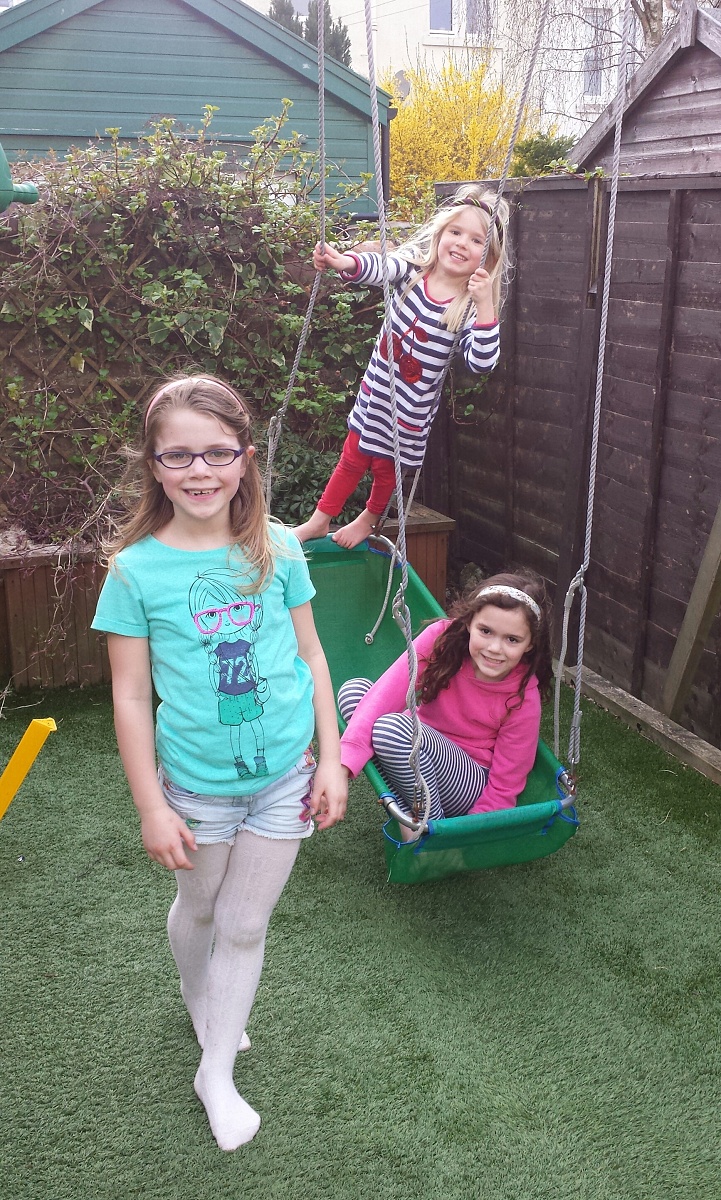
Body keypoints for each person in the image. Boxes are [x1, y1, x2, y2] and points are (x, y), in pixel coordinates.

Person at [91, 374, 347, 1152]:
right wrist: (151, 806)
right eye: (178, 455)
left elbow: (311, 656)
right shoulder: (134, 570)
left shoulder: (277, 548)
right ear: (153, 464)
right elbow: (130, 696)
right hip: (196, 789)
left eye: (216, 453)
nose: (198, 471)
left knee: (243, 923)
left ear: (245, 458)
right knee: (200, 910)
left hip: (285, 777)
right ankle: (195, 989)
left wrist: (331, 760)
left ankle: (216, 1074)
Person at [295, 184, 510, 548]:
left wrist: (486, 304)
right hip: (375, 395)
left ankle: (369, 519)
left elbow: (482, 362)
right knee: (352, 456)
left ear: (487, 258)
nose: (461, 244)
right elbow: (380, 266)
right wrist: (345, 262)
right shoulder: (412, 271)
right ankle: (319, 520)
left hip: (410, 411)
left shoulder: (468, 308)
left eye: (476, 240)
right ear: (440, 234)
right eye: (456, 232)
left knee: (386, 469)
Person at [338, 573, 552, 832]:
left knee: (391, 729)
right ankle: (409, 813)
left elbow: (505, 785)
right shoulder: (442, 639)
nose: (495, 648)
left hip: (467, 781)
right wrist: (343, 764)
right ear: (469, 622)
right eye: (485, 631)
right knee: (353, 693)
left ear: (530, 644)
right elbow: (388, 691)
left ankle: (433, 829)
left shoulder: (522, 696)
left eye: (512, 639)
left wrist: (466, 833)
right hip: (415, 749)